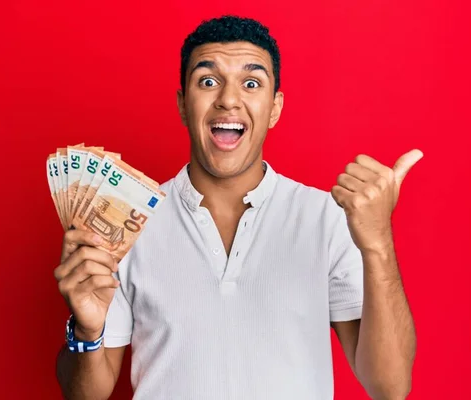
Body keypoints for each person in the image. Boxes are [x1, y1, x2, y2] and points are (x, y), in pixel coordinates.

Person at [54, 15, 419, 400]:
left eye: (251, 83)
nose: (228, 99)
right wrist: (86, 332)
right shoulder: (126, 223)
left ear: (275, 107)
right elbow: (87, 395)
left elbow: (390, 387)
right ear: (182, 104)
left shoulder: (325, 217)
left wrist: (377, 243)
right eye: (208, 81)